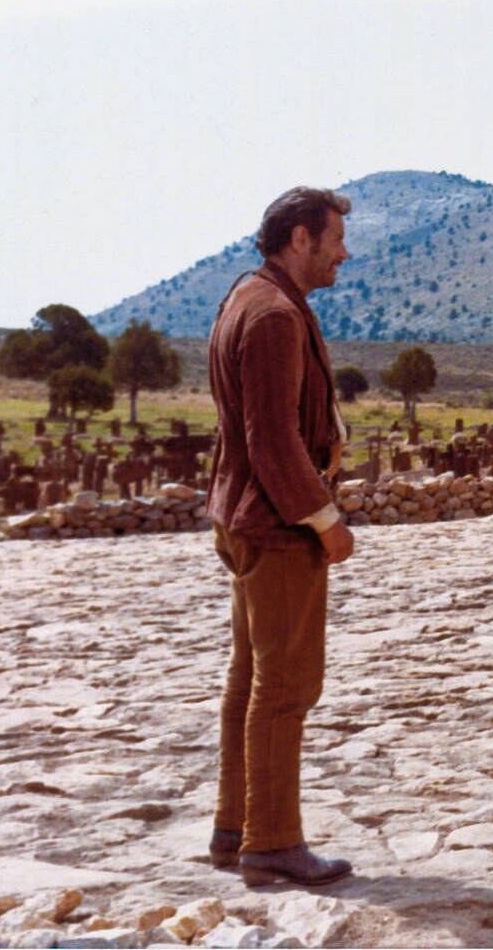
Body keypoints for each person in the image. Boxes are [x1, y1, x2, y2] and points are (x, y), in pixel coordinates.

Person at [204, 186, 357, 887]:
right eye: (333, 241)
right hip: (277, 524)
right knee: (286, 682)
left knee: (250, 678)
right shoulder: (271, 315)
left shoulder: (248, 295)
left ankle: (235, 825)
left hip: (243, 516)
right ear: (299, 238)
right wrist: (324, 519)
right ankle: (272, 840)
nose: (342, 254)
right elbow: (273, 438)